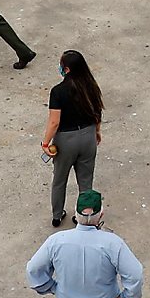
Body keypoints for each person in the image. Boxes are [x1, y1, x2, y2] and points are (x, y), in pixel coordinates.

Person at [25, 190, 144, 298]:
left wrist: (53, 288)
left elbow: (33, 269)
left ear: (76, 214)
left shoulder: (55, 241)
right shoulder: (113, 243)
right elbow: (135, 275)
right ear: (101, 214)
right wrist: (126, 297)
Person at [41, 50, 104, 228]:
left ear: (67, 69)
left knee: (59, 180)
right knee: (86, 180)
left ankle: (57, 215)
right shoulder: (91, 87)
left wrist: (45, 143)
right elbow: (97, 112)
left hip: (66, 140)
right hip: (88, 136)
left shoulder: (58, 91)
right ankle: (85, 217)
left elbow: (54, 122)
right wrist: (96, 132)